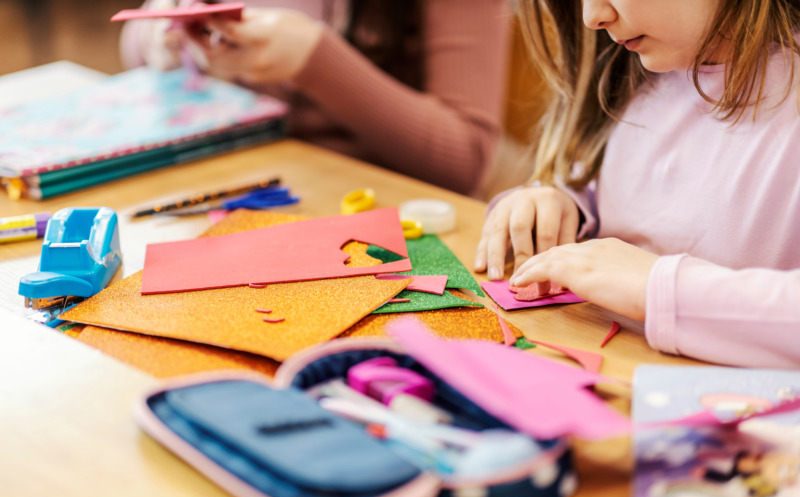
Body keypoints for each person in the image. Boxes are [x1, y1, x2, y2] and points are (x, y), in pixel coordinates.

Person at [474, 0, 800, 367]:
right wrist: (563, 202)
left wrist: (657, 289)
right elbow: (622, 189)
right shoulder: (654, 71)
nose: (592, 17)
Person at [120, 0, 511, 197]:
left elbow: (466, 158)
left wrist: (316, 60)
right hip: (227, 185)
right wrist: (158, 35)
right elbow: (138, 47)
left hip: (376, 208)